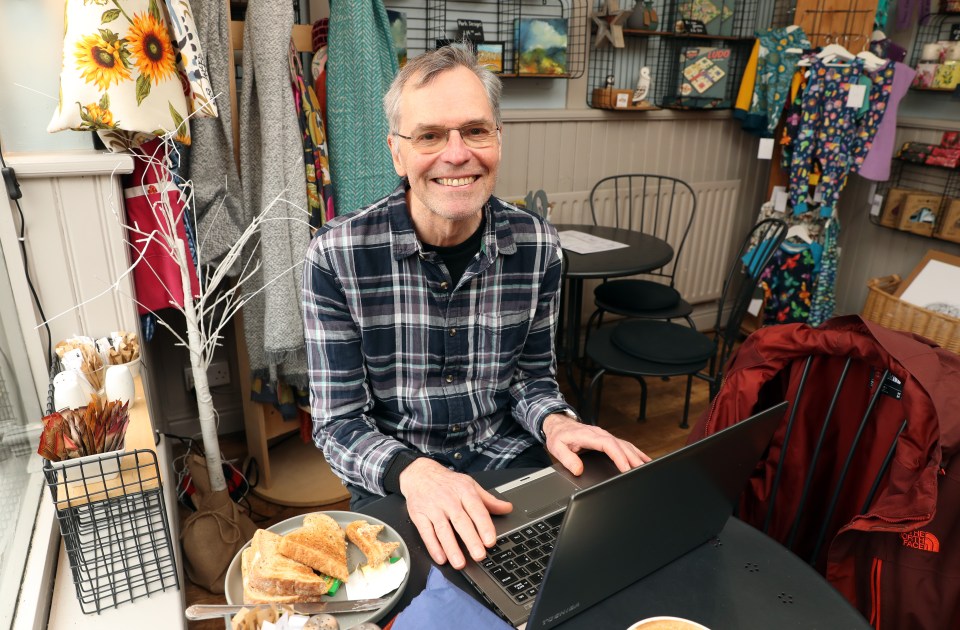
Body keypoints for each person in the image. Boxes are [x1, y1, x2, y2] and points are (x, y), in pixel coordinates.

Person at [302, 44, 650, 570]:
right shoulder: (336, 257)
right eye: (430, 135)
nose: (457, 153)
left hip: (506, 460)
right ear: (396, 152)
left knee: (597, 566)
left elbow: (531, 380)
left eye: (476, 130)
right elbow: (338, 423)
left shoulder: (538, 247)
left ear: (498, 139)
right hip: (399, 480)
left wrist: (556, 422)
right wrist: (416, 473)